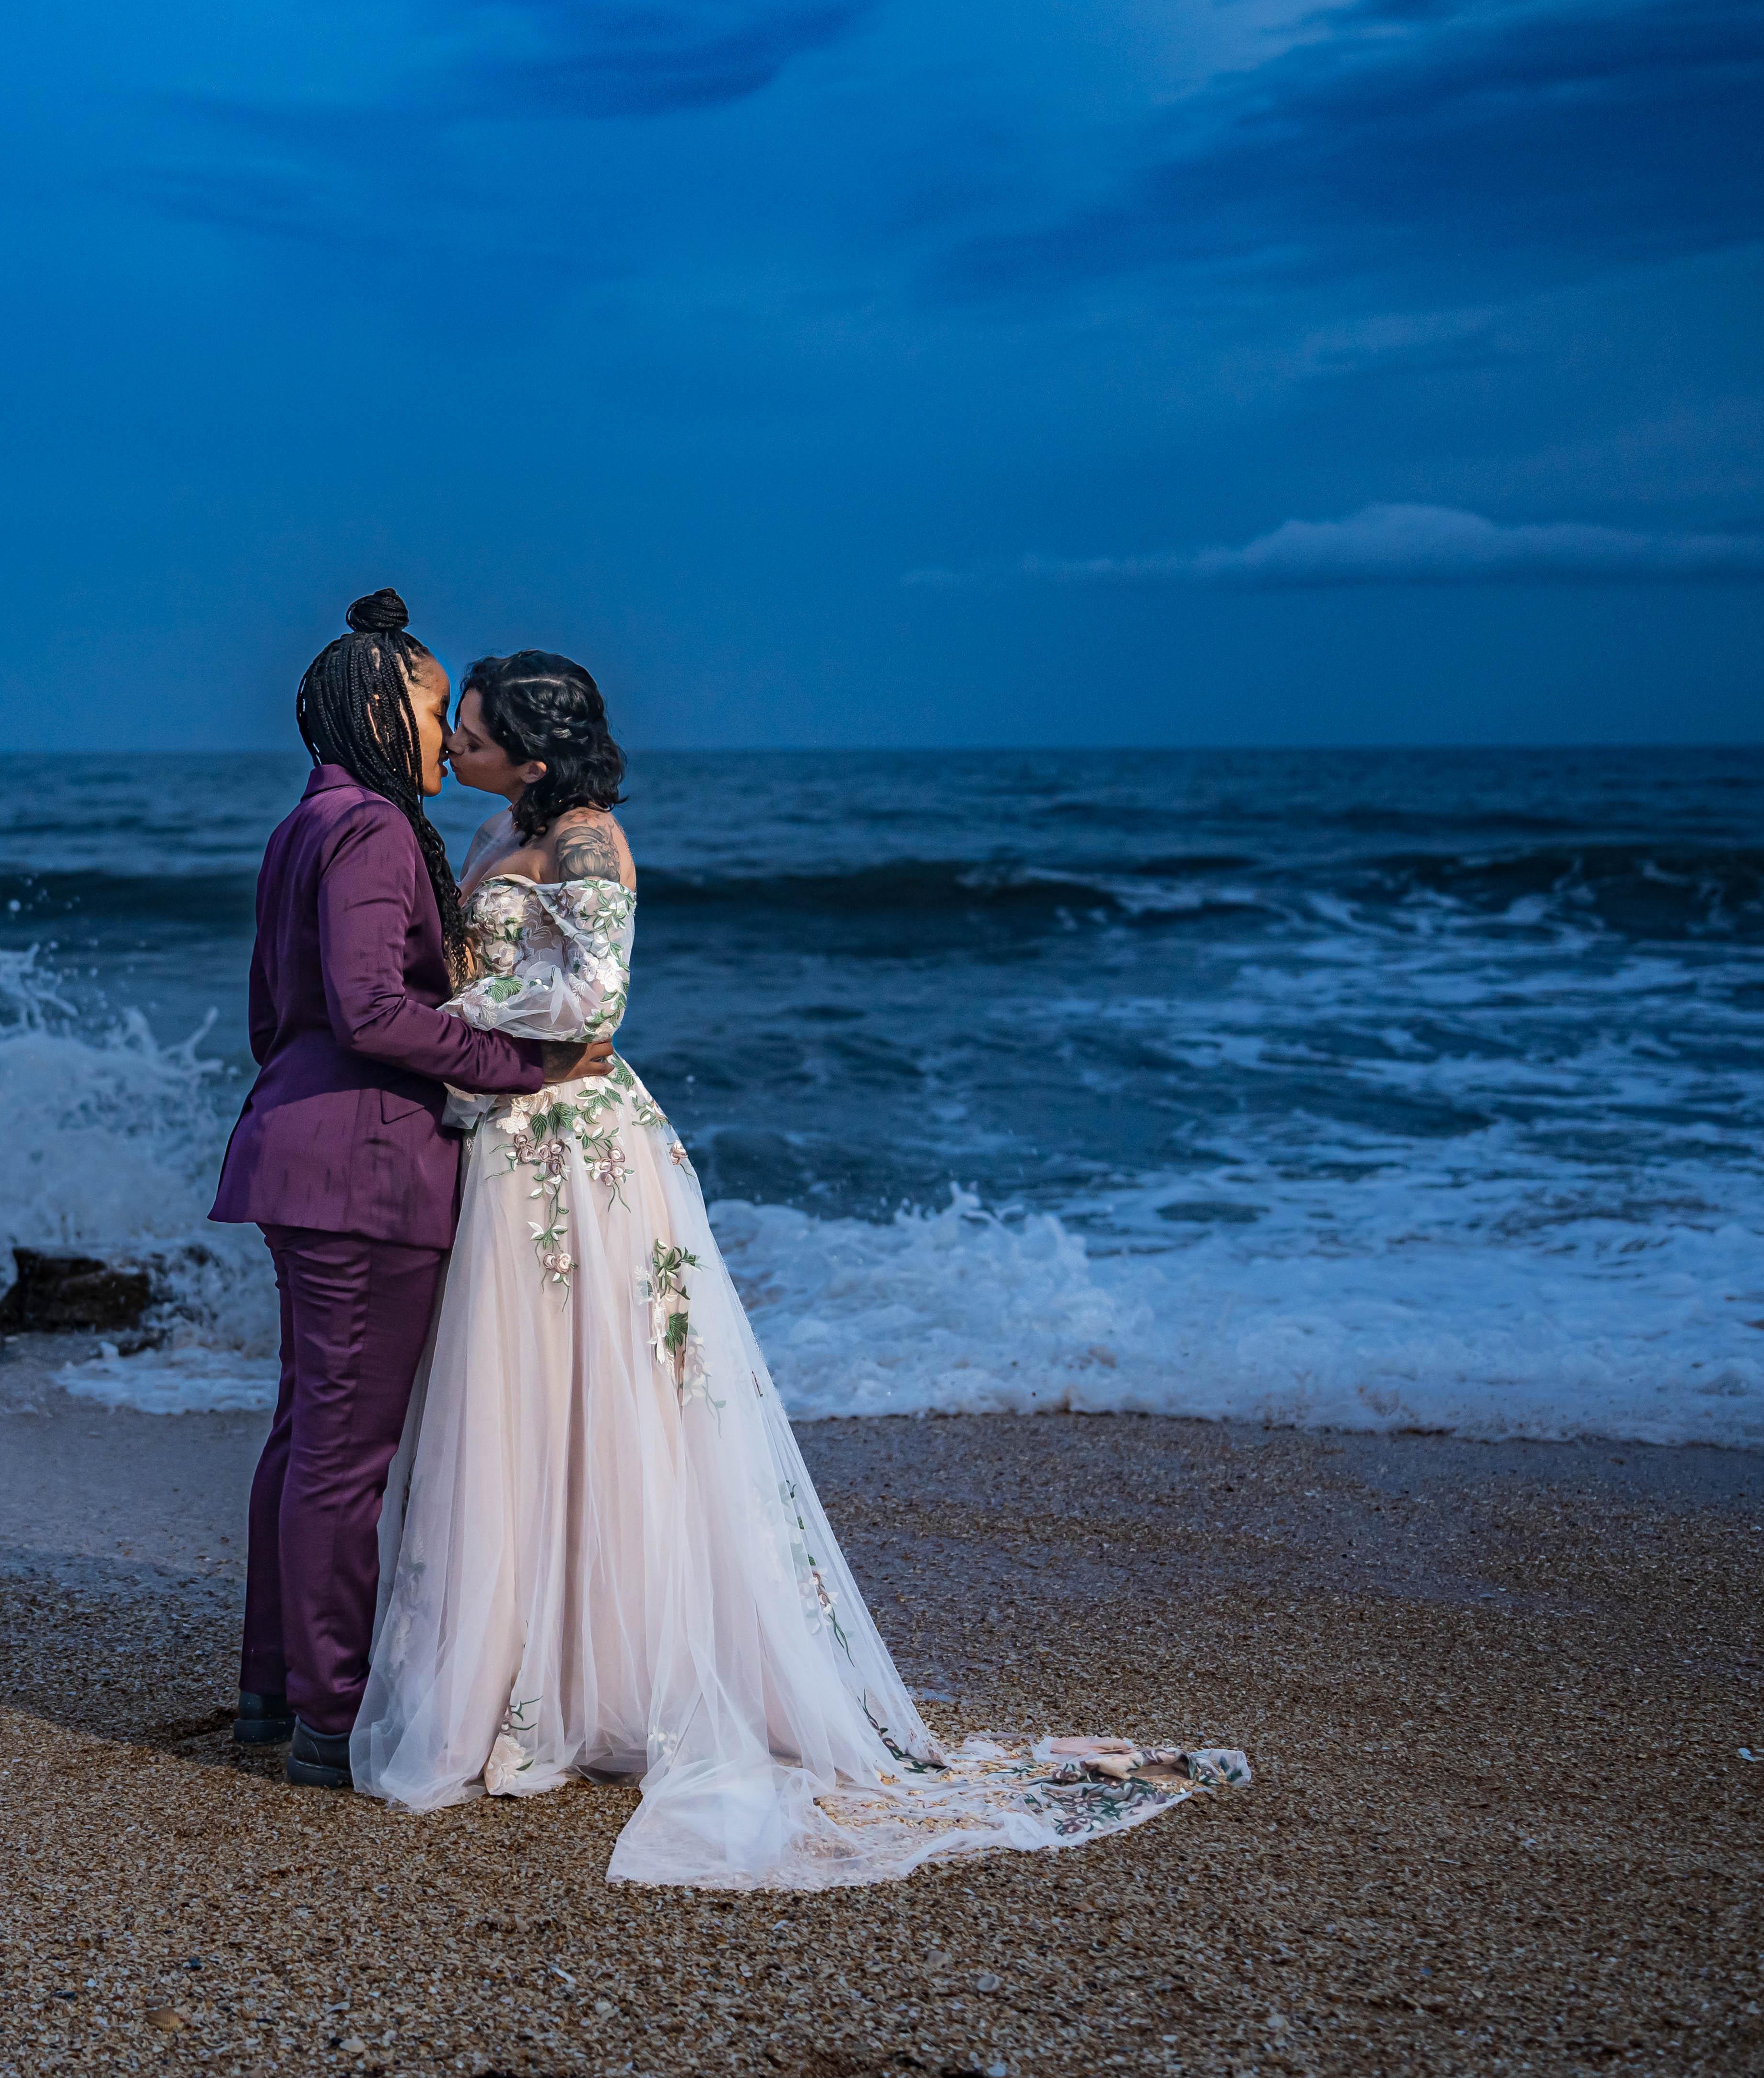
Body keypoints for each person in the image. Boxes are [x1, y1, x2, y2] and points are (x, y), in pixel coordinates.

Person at [349, 648, 1249, 1889]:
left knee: (611, 1397)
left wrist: (447, 1028)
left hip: (576, 1150)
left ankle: (604, 1680)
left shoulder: (589, 842)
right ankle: (528, 1676)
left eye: (474, 730)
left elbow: (594, 1004)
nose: (453, 742)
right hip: (505, 1139)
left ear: (533, 755)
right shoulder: (498, 829)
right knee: (520, 1401)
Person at [209, 590, 611, 1790]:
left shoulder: (308, 820)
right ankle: (331, 1716)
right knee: (345, 1456)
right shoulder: (377, 828)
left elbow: (273, 1013)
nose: (446, 738)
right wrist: (523, 1066)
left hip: (297, 1149)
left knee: (305, 1436)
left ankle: (273, 1689)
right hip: (364, 1170)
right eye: (437, 713)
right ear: (386, 705)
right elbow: (372, 1009)